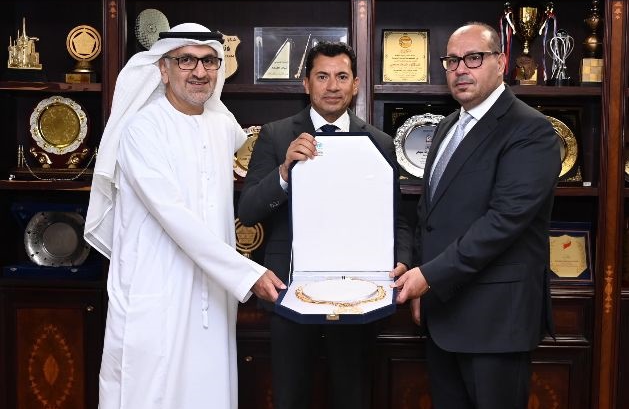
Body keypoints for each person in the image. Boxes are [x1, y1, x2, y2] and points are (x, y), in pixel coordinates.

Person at [83, 22, 286, 409]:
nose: (199, 71)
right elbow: (174, 215)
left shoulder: (222, 126)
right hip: (158, 287)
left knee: (209, 391)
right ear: (163, 69)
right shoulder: (142, 129)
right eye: (186, 60)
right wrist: (247, 273)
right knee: (151, 393)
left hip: (212, 293)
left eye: (209, 61)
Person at [392, 22, 561, 409]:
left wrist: (428, 277)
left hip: (495, 323)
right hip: (442, 315)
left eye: (473, 58)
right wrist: (420, 275)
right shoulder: (448, 126)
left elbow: (503, 223)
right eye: (452, 60)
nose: (460, 69)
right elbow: (429, 213)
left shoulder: (530, 130)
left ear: (500, 62)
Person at [237, 41, 412, 409]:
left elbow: (398, 217)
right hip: (288, 292)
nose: (333, 86)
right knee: (291, 397)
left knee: (352, 396)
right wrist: (284, 172)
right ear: (306, 84)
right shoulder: (276, 135)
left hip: (360, 293)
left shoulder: (380, 142)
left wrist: (403, 260)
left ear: (356, 84)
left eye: (342, 77)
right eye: (322, 76)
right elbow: (249, 211)